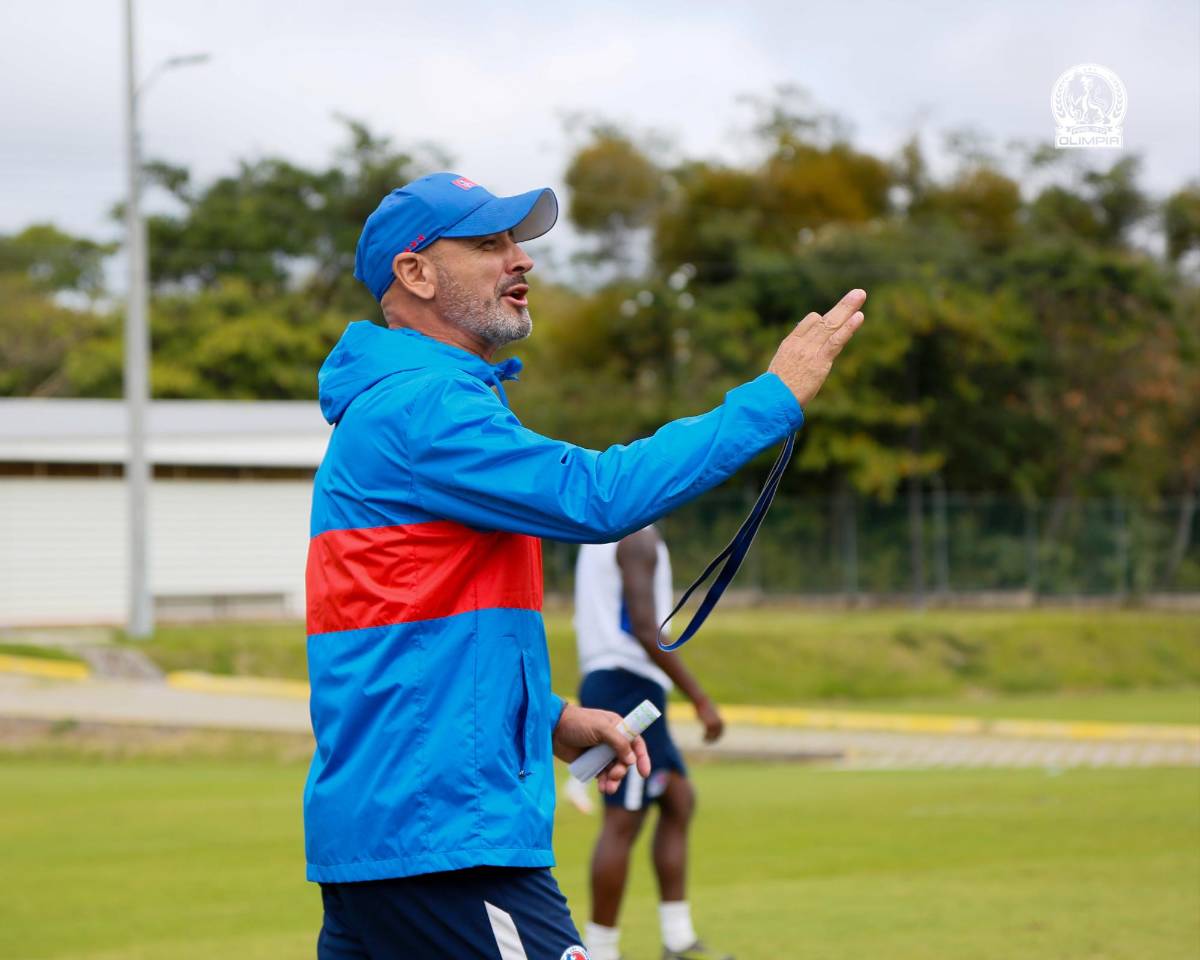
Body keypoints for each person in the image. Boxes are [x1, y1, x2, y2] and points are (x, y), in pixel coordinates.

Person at [305, 171, 866, 960]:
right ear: (415, 274)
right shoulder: (423, 404)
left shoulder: (407, 400)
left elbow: (406, 631)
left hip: (392, 833)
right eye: (488, 243)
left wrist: (552, 719)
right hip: (445, 837)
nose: (520, 259)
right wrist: (773, 398)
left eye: (518, 242)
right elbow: (598, 496)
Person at [573, 526, 730, 960]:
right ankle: (601, 951)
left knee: (678, 798)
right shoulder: (637, 537)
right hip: (629, 684)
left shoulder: (601, 532)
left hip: (611, 678)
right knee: (623, 818)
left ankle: (677, 938)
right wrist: (701, 699)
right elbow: (645, 628)